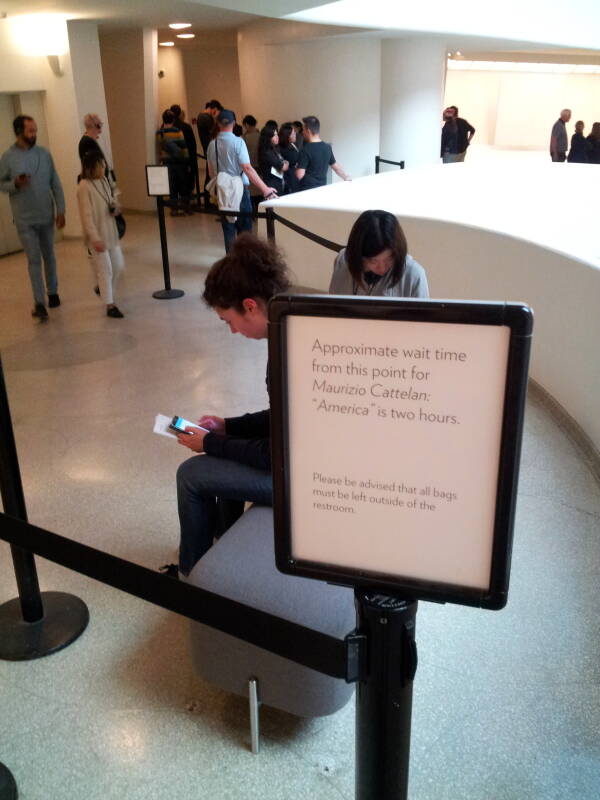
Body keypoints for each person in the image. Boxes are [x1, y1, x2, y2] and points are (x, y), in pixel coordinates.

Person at [167, 232, 292, 578]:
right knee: (221, 455)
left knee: (190, 475)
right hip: (299, 466)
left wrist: (209, 442)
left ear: (250, 305)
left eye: (228, 320)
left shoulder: (287, 350)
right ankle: (220, 549)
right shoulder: (288, 330)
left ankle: (190, 573)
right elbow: (283, 419)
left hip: (299, 480)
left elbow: (273, 455)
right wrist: (228, 426)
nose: (232, 331)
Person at [0, 115, 65, 320]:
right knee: (34, 260)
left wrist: (61, 210)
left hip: (46, 215)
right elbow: (1, 184)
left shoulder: (44, 154)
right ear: (19, 132)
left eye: (36, 130)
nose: (34, 134)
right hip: (24, 220)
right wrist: (15, 185)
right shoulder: (8, 158)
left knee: (49, 256)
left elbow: (55, 183)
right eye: (30, 131)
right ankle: (39, 302)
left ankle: (52, 292)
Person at [207, 108, 278, 253]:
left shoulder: (211, 144)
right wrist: (266, 190)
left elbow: (211, 172)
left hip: (223, 191)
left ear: (218, 123)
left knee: (228, 230)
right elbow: (247, 168)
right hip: (240, 191)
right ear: (234, 123)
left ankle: (231, 264)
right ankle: (244, 265)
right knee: (245, 233)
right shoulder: (238, 142)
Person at [329, 209, 429, 298]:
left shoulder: (414, 275)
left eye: (389, 259)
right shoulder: (343, 262)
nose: (382, 268)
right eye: (373, 261)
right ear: (358, 256)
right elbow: (333, 309)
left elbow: (423, 317)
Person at [76, 151, 125, 318]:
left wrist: (116, 207)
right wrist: (94, 238)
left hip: (111, 233)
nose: (104, 167)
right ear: (92, 166)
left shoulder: (104, 181)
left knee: (118, 265)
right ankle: (110, 305)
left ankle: (102, 289)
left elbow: (112, 199)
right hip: (98, 237)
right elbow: (86, 216)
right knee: (106, 270)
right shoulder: (84, 186)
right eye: (101, 164)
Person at [295, 115, 351, 190]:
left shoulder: (305, 150)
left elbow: (300, 174)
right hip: (322, 187)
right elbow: (336, 167)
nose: (303, 132)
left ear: (308, 131)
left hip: (307, 190)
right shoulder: (327, 147)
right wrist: (345, 177)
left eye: (303, 130)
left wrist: (296, 168)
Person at [156, 109, 190, 215]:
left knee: (172, 185)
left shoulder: (159, 133)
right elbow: (183, 147)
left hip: (167, 162)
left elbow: (160, 147)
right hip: (179, 162)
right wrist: (187, 160)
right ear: (173, 119)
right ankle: (185, 207)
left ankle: (174, 209)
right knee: (183, 185)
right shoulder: (177, 131)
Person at [170, 104, 199, 201]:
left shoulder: (165, 127)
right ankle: (186, 206)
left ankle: (174, 207)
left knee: (173, 185)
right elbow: (192, 145)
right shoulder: (186, 127)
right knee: (185, 183)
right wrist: (192, 161)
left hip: (171, 160)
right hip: (184, 160)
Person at [258, 122, 288, 196]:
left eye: (277, 134)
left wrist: (284, 163)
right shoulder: (267, 152)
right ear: (268, 138)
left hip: (278, 182)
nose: (277, 137)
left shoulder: (274, 149)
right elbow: (283, 167)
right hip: (272, 184)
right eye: (274, 135)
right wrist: (286, 163)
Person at [278, 122, 300, 193]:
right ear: (287, 136)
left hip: (295, 177)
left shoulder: (292, 144)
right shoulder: (283, 149)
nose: (295, 135)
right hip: (289, 179)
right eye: (293, 134)